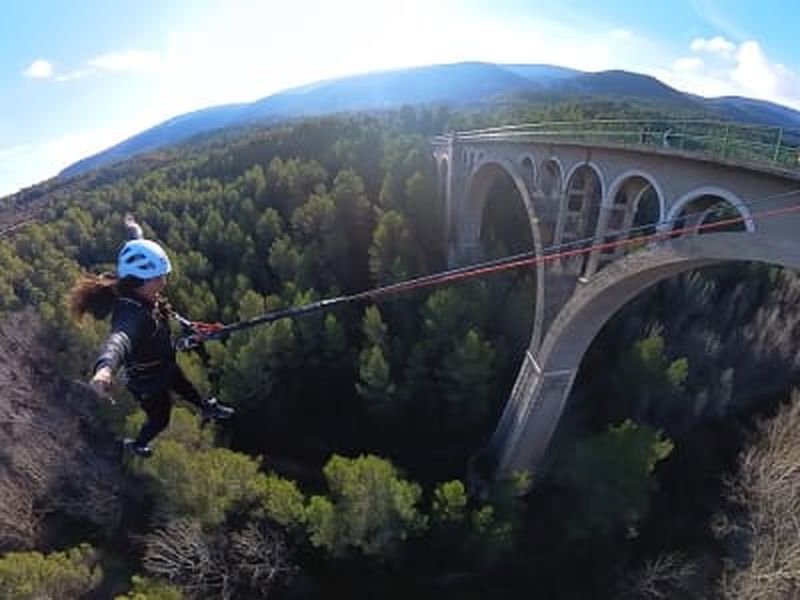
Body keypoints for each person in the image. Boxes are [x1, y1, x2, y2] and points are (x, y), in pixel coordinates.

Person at [68, 217, 233, 457]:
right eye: (159, 277)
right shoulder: (131, 315)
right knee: (160, 418)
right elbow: (118, 341)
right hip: (147, 382)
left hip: (164, 362)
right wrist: (105, 370)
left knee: (184, 384)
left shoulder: (139, 288)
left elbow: (137, 243)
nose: (164, 281)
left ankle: (205, 408)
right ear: (140, 280)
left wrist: (134, 228)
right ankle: (138, 443)